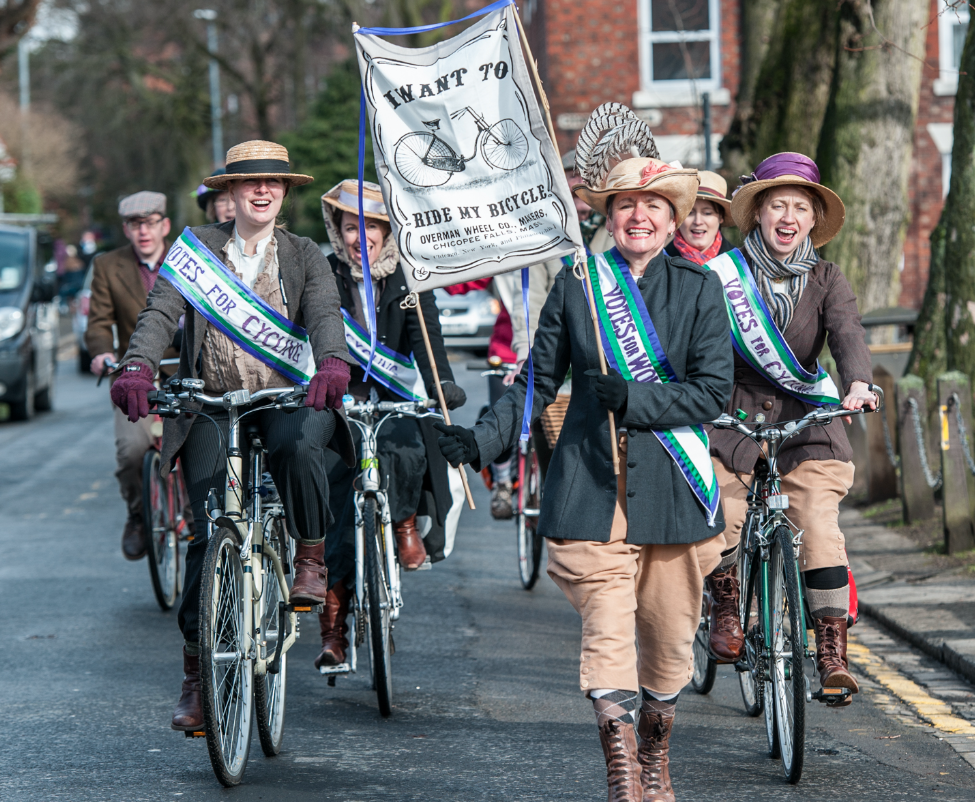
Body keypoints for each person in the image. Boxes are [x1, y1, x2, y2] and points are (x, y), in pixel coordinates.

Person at [434, 114, 734, 802]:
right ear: (608, 213)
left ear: (670, 221)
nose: (639, 217)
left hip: (673, 491)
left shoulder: (698, 290)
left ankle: (654, 753)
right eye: (626, 205)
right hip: (590, 487)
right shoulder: (576, 284)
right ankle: (623, 774)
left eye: (653, 208)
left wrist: (629, 397)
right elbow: (533, 380)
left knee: (665, 649)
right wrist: (482, 441)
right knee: (605, 631)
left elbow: (711, 392)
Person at [109, 141, 355, 731]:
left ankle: (311, 559)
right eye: (250, 184)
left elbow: (324, 314)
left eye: (273, 183)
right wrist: (138, 364)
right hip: (212, 403)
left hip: (285, 396)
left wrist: (331, 362)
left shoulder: (304, 256)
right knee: (205, 534)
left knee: (301, 448)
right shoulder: (194, 250)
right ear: (231, 193)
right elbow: (160, 312)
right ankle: (196, 675)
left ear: (286, 191)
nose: (262, 191)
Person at [705, 152, 876, 703]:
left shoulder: (828, 277)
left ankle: (830, 652)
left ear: (811, 219)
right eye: (777, 204)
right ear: (757, 212)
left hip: (807, 421)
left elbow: (848, 336)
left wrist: (857, 385)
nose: (788, 216)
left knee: (818, 524)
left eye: (800, 207)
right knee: (724, 510)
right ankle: (727, 609)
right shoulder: (720, 276)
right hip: (730, 417)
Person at [315, 179, 465, 670]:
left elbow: (428, 337)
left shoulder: (407, 280)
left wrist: (444, 383)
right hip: (338, 404)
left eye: (373, 226)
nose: (362, 237)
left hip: (392, 399)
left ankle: (403, 524)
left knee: (408, 446)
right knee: (334, 499)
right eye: (351, 226)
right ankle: (333, 629)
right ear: (338, 231)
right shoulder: (324, 276)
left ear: (388, 231)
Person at [86, 191, 179, 559]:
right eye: (135, 224)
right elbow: (98, 323)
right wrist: (101, 353)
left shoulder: (187, 260)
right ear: (126, 229)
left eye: (151, 223)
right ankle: (139, 516)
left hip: (184, 372)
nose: (144, 231)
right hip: (134, 377)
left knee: (199, 445)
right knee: (131, 451)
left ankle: (202, 522)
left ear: (165, 225)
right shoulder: (108, 266)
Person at [663, 170, 734, 264]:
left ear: (721, 217)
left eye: (707, 213)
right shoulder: (660, 263)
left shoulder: (739, 264)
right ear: (678, 216)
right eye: (690, 213)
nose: (698, 221)